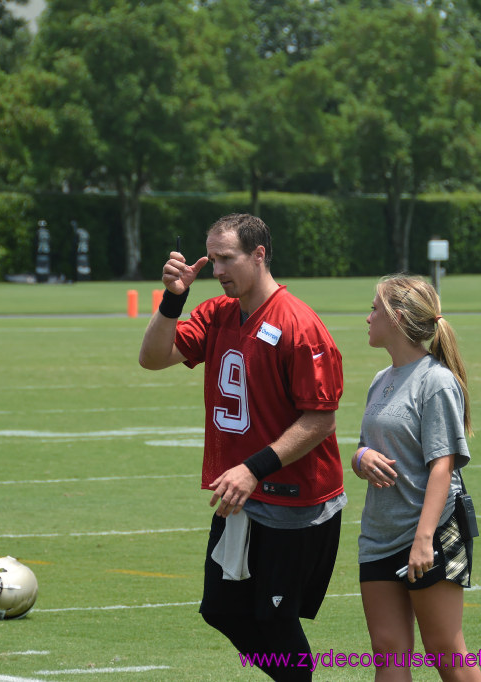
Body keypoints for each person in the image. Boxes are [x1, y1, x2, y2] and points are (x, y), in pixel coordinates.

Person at [138, 213, 344, 681]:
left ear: (259, 254)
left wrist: (253, 467)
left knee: (275, 617)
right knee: (221, 608)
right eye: (212, 260)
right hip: (242, 493)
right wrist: (174, 299)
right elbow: (152, 358)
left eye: (227, 259)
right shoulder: (218, 313)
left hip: (294, 497)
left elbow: (322, 417)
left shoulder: (299, 324)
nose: (218, 270)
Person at [353, 275, 481, 682]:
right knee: (388, 651)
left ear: (396, 318)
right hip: (379, 534)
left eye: (375, 308)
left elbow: (443, 465)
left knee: (445, 649)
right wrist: (361, 458)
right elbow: (364, 446)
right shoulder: (381, 379)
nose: (368, 317)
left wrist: (424, 539)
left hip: (429, 532)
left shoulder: (437, 381)